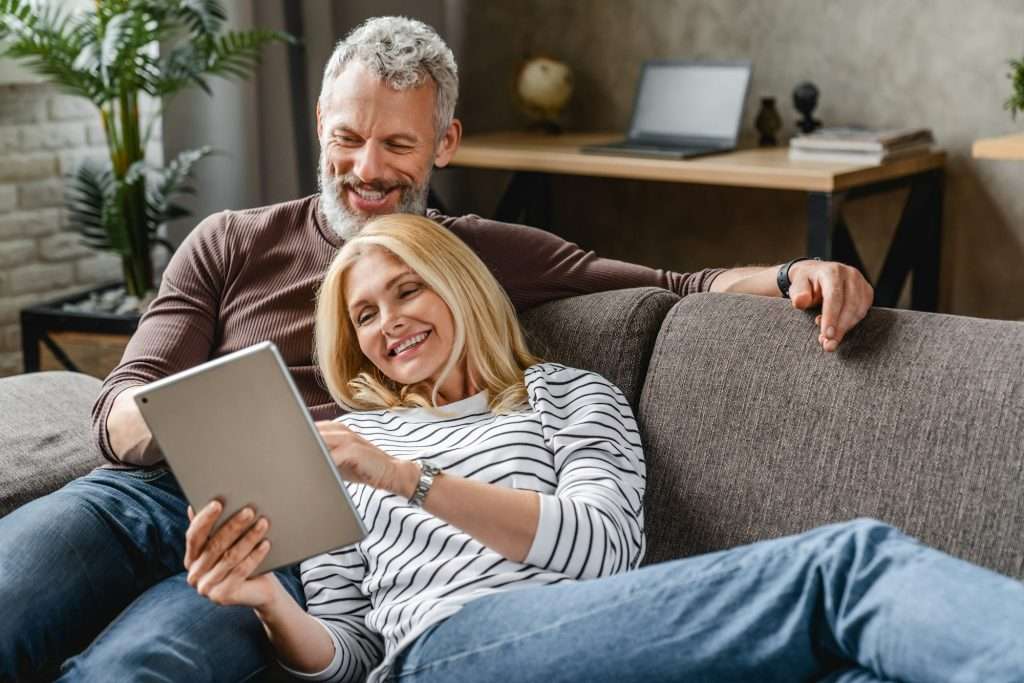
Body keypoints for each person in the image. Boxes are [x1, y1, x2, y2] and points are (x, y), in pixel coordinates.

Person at [0, 15, 873, 681]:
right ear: (319, 123)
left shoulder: (470, 254)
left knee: (139, 666)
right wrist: (193, 424)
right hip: (143, 494)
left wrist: (796, 270)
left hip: (288, 538)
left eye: (397, 144)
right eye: (348, 137)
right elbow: (117, 408)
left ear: (444, 144)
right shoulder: (230, 240)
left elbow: (672, 284)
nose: (366, 169)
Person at [184, 213, 1024, 683]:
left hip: (583, 647)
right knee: (846, 564)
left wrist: (410, 479)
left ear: (460, 285)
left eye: (408, 289)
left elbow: (603, 548)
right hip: (441, 655)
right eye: (365, 314)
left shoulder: (567, 394)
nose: (389, 322)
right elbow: (350, 653)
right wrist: (267, 601)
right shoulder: (351, 443)